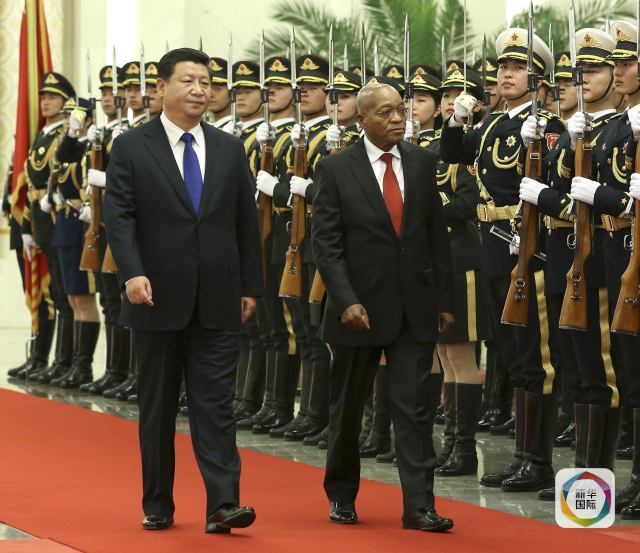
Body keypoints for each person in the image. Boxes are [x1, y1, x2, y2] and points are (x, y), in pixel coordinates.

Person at [103, 47, 263, 534]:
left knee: (216, 405)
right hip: (154, 297)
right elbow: (119, 217)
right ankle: (158, 503)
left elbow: (245, 222)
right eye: (188, 81)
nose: (199, 90)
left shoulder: (229, 148)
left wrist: (251, 286)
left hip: (218, 296)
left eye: (206, 82)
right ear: (162, 87)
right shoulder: (132, 146)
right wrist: (131, 273)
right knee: (157, 408)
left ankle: (223, 504)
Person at [312, 82, 455, 531]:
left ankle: (419, 506)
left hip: (414, 307)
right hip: (358, 311)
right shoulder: (336, 168)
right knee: (348, 409)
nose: (397, 119)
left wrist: (444, 300)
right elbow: (327, 244)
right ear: (362, 120)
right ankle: (341, 495)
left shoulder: (422, 162)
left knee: (414, 408)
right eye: (386, 112)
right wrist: (345, 301)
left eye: (401, 111)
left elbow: (435, 238)